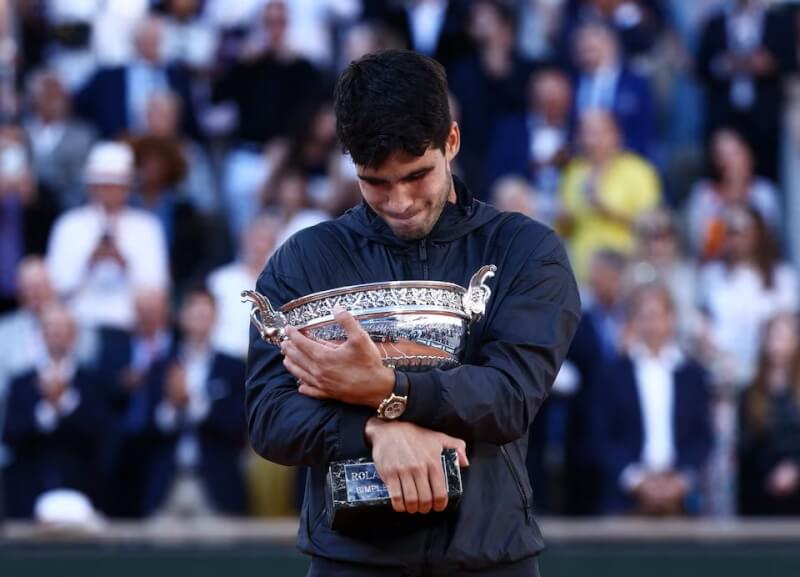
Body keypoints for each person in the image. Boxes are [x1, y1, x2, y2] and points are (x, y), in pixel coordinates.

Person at [246, 49, 581, 576]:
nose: (399, 201)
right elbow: (270, 417)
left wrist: (384, 388)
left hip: (489, 556)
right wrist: (380, 429)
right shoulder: (303, 259)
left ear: (452, 140)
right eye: (375, 181)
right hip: (349, 559)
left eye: (417, 175)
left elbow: (510, 397)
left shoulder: (525, 249)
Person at [592, 282, 712, 516]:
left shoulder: (692, 374)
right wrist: (636, 480)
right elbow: (600, 436)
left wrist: (680, 480)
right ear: (633, 321)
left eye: (658, 315)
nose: (652, 324)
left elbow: (703, 437)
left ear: (671, 319)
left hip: (682, 499)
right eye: (645, 316)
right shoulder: (612, 373)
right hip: (625, 498)